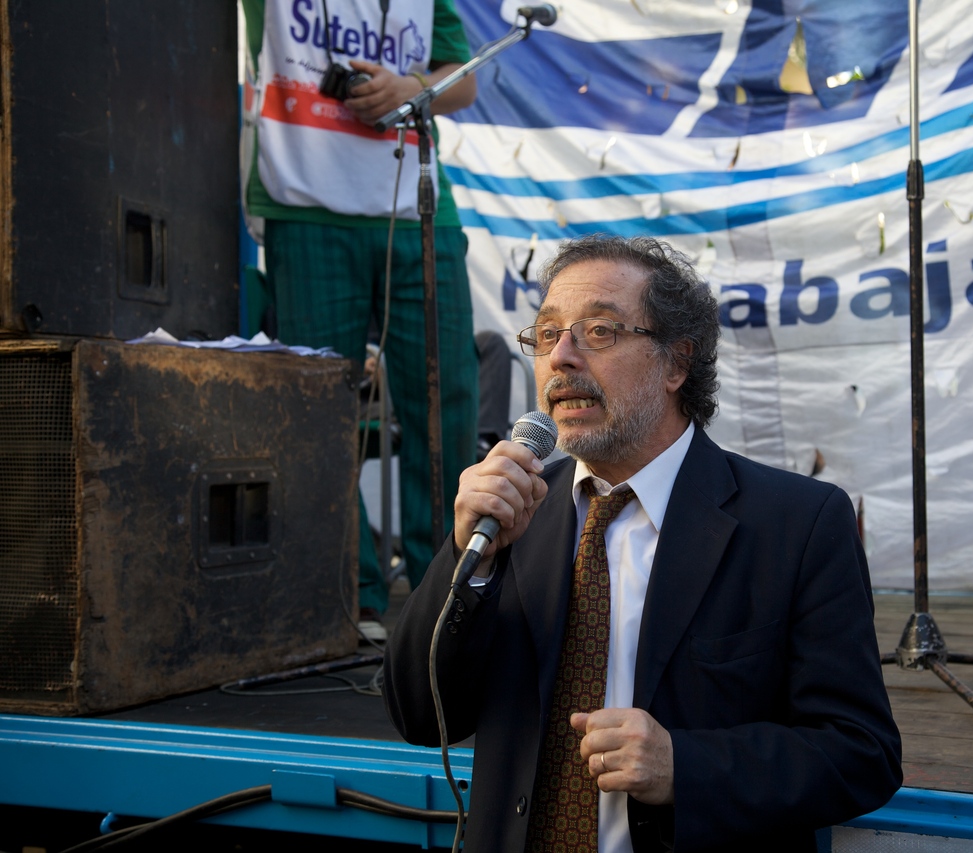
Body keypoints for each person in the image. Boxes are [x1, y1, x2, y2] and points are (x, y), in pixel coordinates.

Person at [384, 235, 902, 852]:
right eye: (547, 335)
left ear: (676, 364)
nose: (561, 357)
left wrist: (685, 765)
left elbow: (861, 752)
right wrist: (469, 556)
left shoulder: (797, 523)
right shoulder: (515, 513)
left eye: (598, 331)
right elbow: (418, 715)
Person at [239, 0, 480, 636]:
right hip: (304, 204)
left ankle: (450, 589)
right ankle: (351, 595)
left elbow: (464, 80)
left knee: (447, 399)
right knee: (320, 410)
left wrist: (412, 88)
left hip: (418, 203)